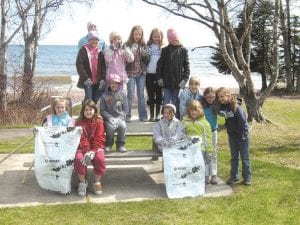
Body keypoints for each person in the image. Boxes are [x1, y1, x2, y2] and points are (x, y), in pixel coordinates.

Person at [216, 87, 251, 186]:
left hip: (242, 136)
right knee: (234, 157)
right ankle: (234, 177)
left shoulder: (236, 107)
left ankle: (247, 178)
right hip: (232, 136)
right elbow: (220, 111)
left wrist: (244, 134)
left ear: (228, 95)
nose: (220, 99)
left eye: (222, 96)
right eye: (219, 97)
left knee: (245, 158)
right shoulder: (223, 107)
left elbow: (243, 121)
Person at [74, 100, 106, 196]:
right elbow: (81, 138)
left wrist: (93, 151)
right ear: (83, 111)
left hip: (96, 148)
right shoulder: (79, 122)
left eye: (90, 109)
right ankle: (82, 182)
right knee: (79, 159)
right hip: (82, 148)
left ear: (95, 110)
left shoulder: (99, 121)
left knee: (100, 159)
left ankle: (96, 182)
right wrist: (87, 151)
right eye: (86, 110)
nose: (88, 112)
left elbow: (99, 137)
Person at [156, 28, 190, 119]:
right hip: (166, 82)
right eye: (172, 40)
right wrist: (159, 78)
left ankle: (176, 117)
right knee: (166, 100)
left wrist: (185, 79)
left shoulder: (183, 50)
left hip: (178, 82)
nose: (175, 41)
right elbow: (160, 65)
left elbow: (187, 67)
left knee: (176, 100)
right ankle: (164, 117)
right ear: (169, 40)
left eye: (176, 40)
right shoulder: (165, 50)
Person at [182, 100, 213, 185]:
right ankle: (190, 181)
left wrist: (209, 151)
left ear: (200, 111)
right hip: (188, 149)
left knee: (200, 166)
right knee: (189, 166)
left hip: (201, 149)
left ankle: (203, 180)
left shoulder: (205, 123)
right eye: (192, 110)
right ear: (189, 111)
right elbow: (181, 135)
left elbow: (208, 138)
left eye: (196, 110)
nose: (194, 112)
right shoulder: (184, 122)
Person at [124, 25, 150, 122]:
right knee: (130, 94)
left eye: (140, 34)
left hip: (141, 74)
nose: (138, 36)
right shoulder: (126, 45)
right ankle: (127, 115)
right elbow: (124, 60)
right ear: (132, 34)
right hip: (130, 74)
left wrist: (145, 55)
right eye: (136, 34)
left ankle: (143, 115)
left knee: (141, 95)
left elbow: (147, 61)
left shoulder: (144, 45)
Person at [76, 30, 106, 103]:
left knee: (95, 100)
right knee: (88, 99)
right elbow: (79, 64)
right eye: (92, 39)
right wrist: (86, 78)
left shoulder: (100, 52)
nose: (94, 41)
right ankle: (83, 113)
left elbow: (103, 67)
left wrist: (102, 79)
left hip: (98, 81)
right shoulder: (83, 50)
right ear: (88, 40)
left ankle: (92, 113)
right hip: (87, 80)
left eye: (96, 39)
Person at [100, 75, 128, 153]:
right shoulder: (104, 96)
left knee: (123, 126)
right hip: (109, 119)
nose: (114, 85)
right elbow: (102, 110)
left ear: (119, 84)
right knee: (111, 128)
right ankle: (108, 144)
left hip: (120, 118)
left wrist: (120, 118)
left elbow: (126, 109)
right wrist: (110, 118)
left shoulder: (123, 95)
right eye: (112, 83)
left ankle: (120, 144)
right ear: (109, 84)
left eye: (116, 83)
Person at [201, 87, 219, 184]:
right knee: (205, 153)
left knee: (213, 153)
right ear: (204, 96)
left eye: (212, 97)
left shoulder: (216, 105)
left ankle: (214, 174)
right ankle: (206, 174)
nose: (210, 99)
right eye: (208, 97)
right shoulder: (202, 105)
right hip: (204, 132)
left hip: (213, 131)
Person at [146, 28, 163, 122]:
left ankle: (158, 114)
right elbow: (145, 60)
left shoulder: (163, 47)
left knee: (159, 95)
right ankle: (151, 115)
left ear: (161, 37)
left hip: (159, 75)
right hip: (149, 74)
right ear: (151, 36)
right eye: (154, 36)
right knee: (151, 95)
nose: (156, 38)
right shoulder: (148, 46)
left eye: (158, 36)